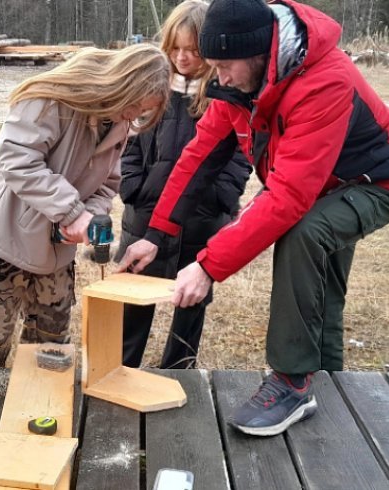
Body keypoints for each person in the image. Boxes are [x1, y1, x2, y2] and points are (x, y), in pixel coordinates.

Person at [117, 0, 389, 436]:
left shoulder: (323, 81)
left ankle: (292, 381)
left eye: (224, 66)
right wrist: (156, 235)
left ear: (259, 52)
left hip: (377, 183)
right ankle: (329, 380)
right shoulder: (241, 84)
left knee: (304, 233)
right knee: (322, 281)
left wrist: (206, 266)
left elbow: (290, 197)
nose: (217, 77)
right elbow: (197, 158)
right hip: (323, 185)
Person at [0, 44, 171, 368]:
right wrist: (73, 212)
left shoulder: (118, 122)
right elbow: (17, 161)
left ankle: (43, 410)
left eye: (141, 113)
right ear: (120, 83)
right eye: (132, 106)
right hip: (2, 244)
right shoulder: (52, 98)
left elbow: (107, 184)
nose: (132, 117)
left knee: (51, 348)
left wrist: (92, 215)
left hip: (54, 255)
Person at [116, 0, 251, 369]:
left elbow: (241, 156)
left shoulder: (226, 95)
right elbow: (128, 142)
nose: (183, 57)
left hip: (201, 223)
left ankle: (178, 373)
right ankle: (122, 370)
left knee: (190, 305)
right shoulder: (150, 89)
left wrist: (221, 196)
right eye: (176, 48)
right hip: (143, 219)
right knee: (132, 304)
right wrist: (133, 185)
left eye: (192, 50)